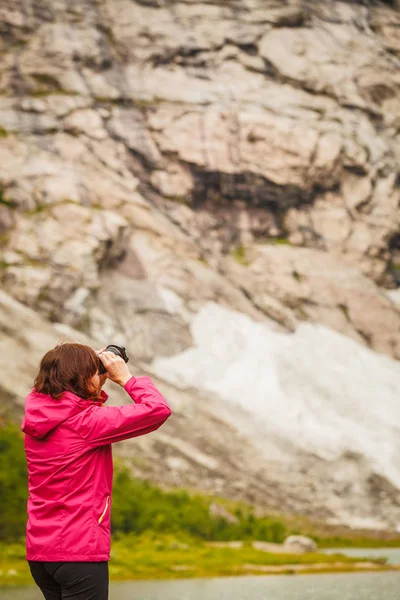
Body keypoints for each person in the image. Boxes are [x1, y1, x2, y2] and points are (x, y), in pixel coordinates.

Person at [21, 342, 172, 600]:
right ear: (79, 378)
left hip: (40, 553)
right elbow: (157, 410)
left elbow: (72, 407)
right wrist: (126, 379)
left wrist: (93, 376)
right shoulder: (86, 424)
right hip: (78, 552)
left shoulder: (37, 419)